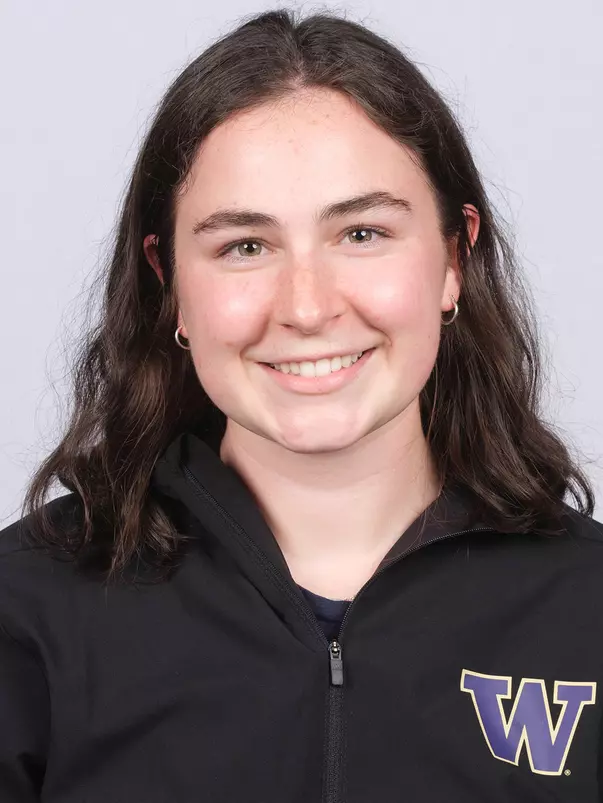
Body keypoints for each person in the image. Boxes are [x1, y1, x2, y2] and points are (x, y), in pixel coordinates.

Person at [1, 6, 601, 802]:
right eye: (244, 247)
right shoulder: (25, 611)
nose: (307, 306)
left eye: (361, 234)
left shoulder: (586, 608)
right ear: (169, 282)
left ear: (453, 258)